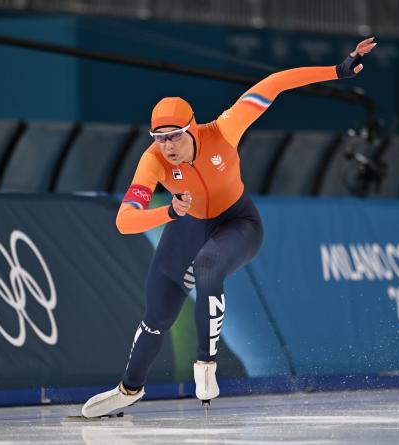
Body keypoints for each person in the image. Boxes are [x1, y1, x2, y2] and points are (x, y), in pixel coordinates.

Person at [81, 37, 377, 418]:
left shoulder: (224, 129)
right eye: (159, 139)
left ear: (190, 129)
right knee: (156, 317)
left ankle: (205, 365)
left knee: (208, 266)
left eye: (173, 137)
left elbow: (275, 83)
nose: (167, 146)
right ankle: (129, 389)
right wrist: (168, 213)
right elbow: (124, 220)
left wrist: (336, 70)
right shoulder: (152, 161)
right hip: (185, 226)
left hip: (238, 223)